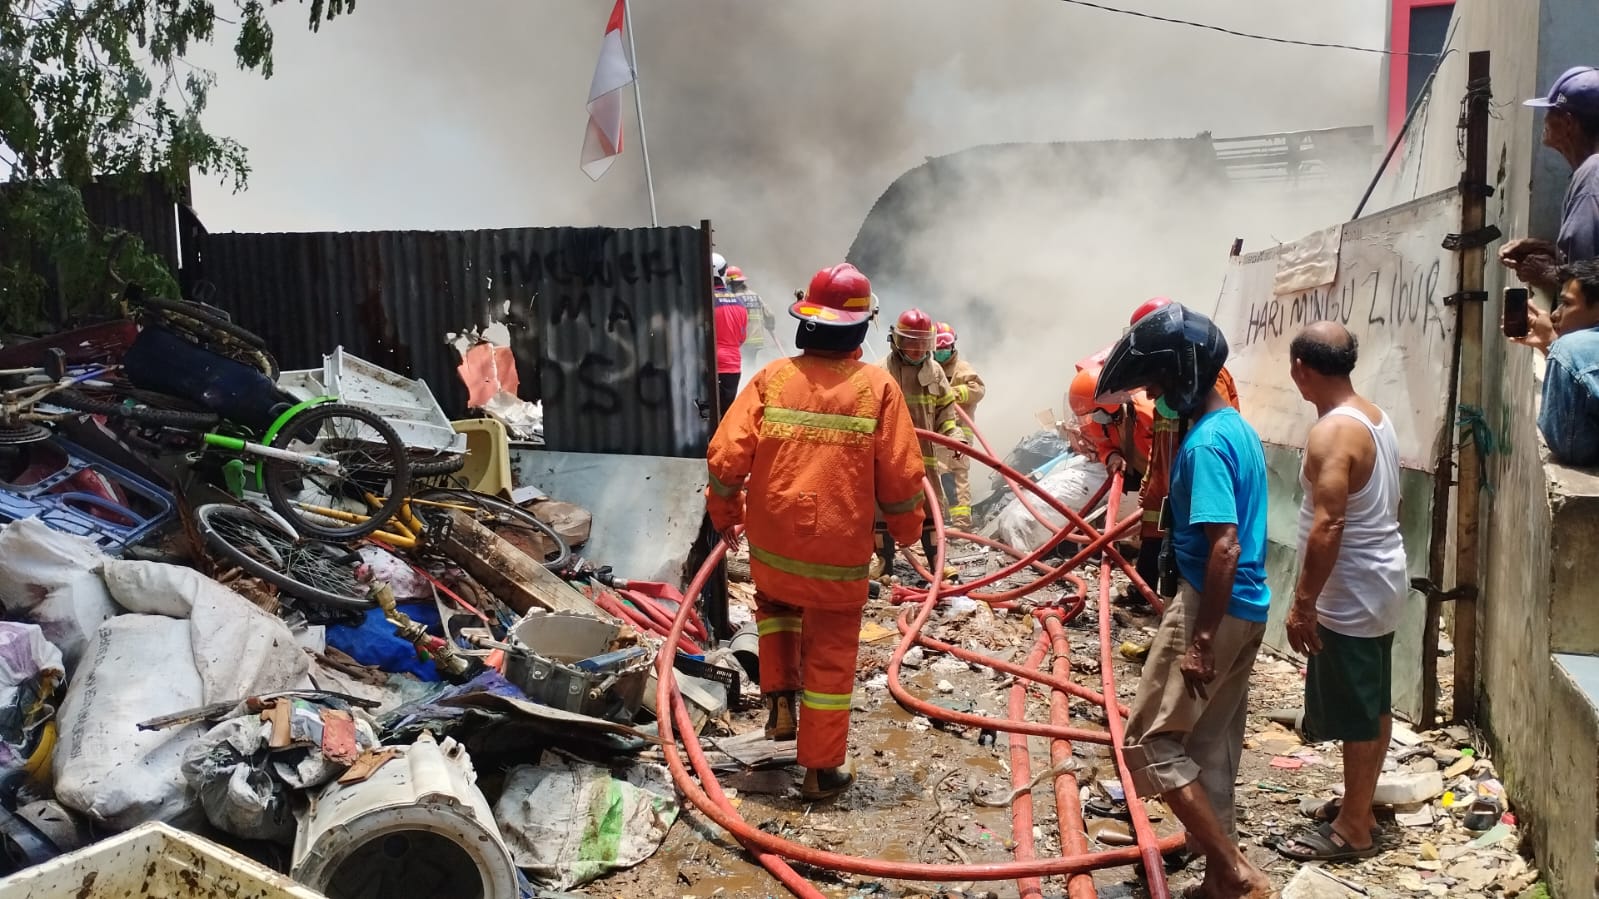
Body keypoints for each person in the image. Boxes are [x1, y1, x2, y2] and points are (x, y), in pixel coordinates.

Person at [706, 263, 927, 801]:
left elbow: (724, 457)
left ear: (807, 321)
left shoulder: (774, 377)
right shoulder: (878, 388)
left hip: (774, 540)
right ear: (860, 329)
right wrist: (907, 529)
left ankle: (780, 703)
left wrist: (726, 513)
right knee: (830, 651)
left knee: (776, 608)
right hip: (836, 549)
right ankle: (819, 770)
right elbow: (901, 476)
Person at [1093, 302, 1273, 899]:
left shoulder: (1204, 446)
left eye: (1157, 383)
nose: (1153, 395)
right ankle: (1220, 875)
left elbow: (1223, 546)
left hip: (1211, 606)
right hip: (1250, 606)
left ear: (1184, 376)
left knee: (1152, 741)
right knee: (1212, 743)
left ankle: (1235, 872)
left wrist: (1198, 639)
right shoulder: (1239, 430)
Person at [1276, 322, 1407, 863]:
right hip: (1382, 578)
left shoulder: (1331, 433)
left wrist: (1304, 602)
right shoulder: (1373, 416)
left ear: (1302, 370)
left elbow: (1328, 524)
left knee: (1355, 708)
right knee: (1372, 701)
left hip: (1352, 589)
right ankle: (1362, 806)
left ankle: (1355, 827)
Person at [1129, 296, 1243, 596]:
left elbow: (1211, 431)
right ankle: (1148, 589)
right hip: (1168, 478)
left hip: (1196, 477)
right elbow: (1160, 434)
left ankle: (1180, 601)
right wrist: (1151, 477)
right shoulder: (1166, 384)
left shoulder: (1206, 377)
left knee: (1194, 542)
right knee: (1156, 530)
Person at [1499, 66, 1599, 294]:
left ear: (1568, 123)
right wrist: (1549, 250)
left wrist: (1548, 274)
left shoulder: (1592, 176)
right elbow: (1592, 260)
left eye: (1551, 111)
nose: (1544, 119)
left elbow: (1590, 286)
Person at [882, 308, 965, 573]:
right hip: (890, 455)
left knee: (932, 508)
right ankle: (884, 564)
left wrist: (955, 436)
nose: (917, 350)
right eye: (910, 342)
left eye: (922, 343)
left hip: (925, 456)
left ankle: (937, 564)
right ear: (897, 341)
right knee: (882, 508)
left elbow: (946, 412)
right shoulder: (883, 372)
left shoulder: (936, 372)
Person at [1510, 259, 1599, 466]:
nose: (1555, 314)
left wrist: (1558, 350)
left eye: (1567, 303)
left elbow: (1567, 446)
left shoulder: (1571, 348)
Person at [932, 322, 985, 532]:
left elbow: (978, 389)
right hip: (938, 434)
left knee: (957, 476)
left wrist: (953, 393)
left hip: (958, 432)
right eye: (937, 350)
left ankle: (962, 525)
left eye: (944, 350)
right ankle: (941, 519)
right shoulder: (931, 368)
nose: (941, 353)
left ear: (953, 347)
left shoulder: (961, 368)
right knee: (940, 476)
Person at [713, 259, 749, 418]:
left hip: (711, 365)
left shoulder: (706, 300)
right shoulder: (740, 303)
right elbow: (741, 338)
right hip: (732, 367)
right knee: (725, 415)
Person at [728, 265, 780, 372]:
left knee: (742, 367)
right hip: (756, 340)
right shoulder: (755, 296)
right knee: (750, 365)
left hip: (742, 341)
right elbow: (770, 314)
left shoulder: (733, 298)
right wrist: (770, 325)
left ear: (732, 283)